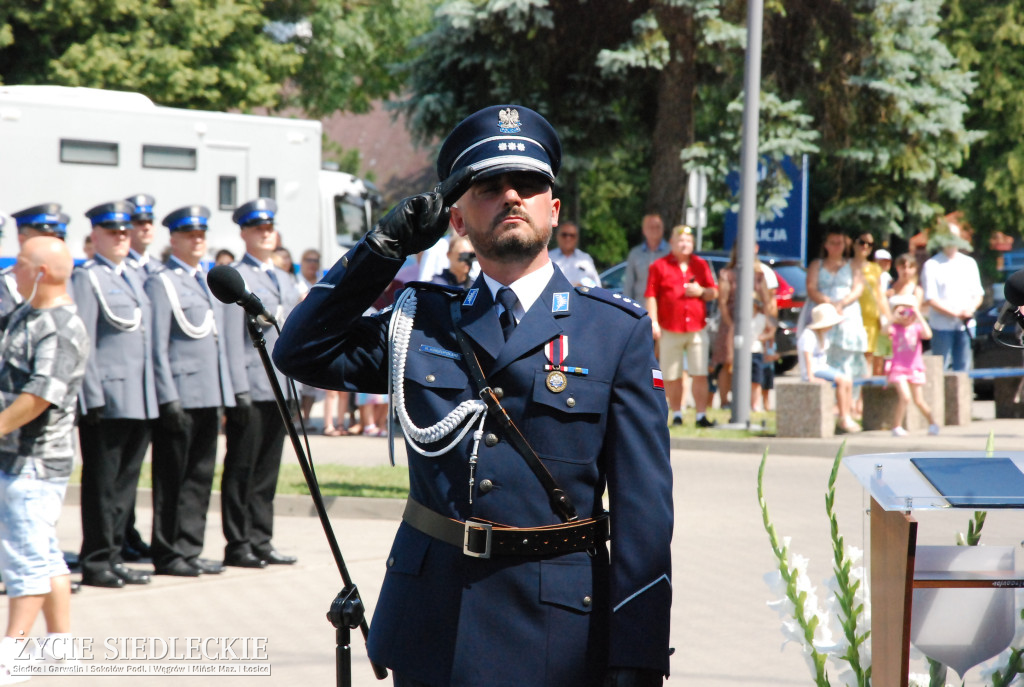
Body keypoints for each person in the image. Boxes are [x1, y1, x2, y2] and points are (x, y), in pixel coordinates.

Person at [273, 104, 673, 686]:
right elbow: (299, 350)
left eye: (530, 184)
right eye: (488, 187)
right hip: (434, 619)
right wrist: (383, 247)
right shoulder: (421, 319)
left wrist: (635, 656)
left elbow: (644, 512)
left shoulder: (614, 331)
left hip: (557, 630)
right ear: (456, 221)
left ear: (553, 208)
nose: (512, 196)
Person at [0, 237, 89, 679]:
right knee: (46, 556)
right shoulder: (26, 313)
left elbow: (38, 396)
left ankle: (11, 654)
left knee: (25, 563)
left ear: (42, 272)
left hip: (34, 462)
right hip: (16, 459)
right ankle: (60, 647)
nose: (11, 271)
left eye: (19, 265)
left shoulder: (61, 326)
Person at [144, 205, 240, 577]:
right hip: (181, 394)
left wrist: (225, 393)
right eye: (189, 235)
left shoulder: (207, 279)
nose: (197, 240)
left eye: (202, 235)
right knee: (172, 478)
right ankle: (168, 553)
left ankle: (190, 548)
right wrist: (168, 397)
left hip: (208, 394)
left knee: (200, 477)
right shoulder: (163, 281)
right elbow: (157, 345)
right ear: (174, 239)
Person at [72, 200, 158, 589]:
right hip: (107, 399)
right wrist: (90, 396)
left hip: (138, 396)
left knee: (125, 485)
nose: (122, 237)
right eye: (113, 232)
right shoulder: (87, 278)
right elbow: (83, 340)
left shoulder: (134, 276)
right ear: (96, 236)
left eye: (125, 231)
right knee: (103, 486)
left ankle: (115, 553)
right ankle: (96, 559)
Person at [220, 198, 301, 568]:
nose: (266, 233)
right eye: (258, 228)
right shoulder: (236, 277)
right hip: (251, 384)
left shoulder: (284, 277)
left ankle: (261, 538)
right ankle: (238, 543)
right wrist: (236, 389)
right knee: (242, 467)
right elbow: (231, 337)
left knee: (268, 468)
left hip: (279, 384)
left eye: (270, 227)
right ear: (243, 233)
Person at [646, 224, 719, 427]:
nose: (684, 244)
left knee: (700, 372)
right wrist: (654, 321)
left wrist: (701, 291)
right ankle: (677, 413)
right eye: (680, 241)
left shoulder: (700, 264)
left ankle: (700, 415)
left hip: (696, 327)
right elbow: (651, 295)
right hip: (670, 327)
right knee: (671, 374)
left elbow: (714, 292)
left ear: (693, 243)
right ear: (671, 243)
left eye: (688, 241)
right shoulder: (659, 266)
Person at [122, 193, 159, 563]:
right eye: (137, 222)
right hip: (130, 386)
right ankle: (120, 535)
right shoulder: (123, 270)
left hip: (153, 388)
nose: (144, 228)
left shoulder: (155, 269)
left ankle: (129, 534)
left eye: (149, 222)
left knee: (136, 470)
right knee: (121, 473)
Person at [712, 243, 775, 410]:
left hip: (753, 323)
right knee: (727, 362)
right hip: (730, 323)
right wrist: (730, 324)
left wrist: (767, 323)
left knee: (753, 362)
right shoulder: (727, 274)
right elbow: (723, 303)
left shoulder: (758, 275)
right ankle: (725, 401)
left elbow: (767, 302)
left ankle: (750, 403)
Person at [805, 229, 869, 384]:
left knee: (849, 356)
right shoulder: (817, 265)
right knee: (825, 353)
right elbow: (811, 288)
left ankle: (852, 399)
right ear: (826, 245)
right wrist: (829, 302)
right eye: (832, 243)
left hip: (848, 314)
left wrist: (841, 303)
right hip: (824, 313)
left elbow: (858, 288)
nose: (836, 247)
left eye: (839, 243)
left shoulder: (853, 265)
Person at [921, 225, 983, 372]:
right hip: (941, 327)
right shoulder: (931, 265)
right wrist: (956, 314)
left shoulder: (969, 263)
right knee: (940, 370)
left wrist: (970, 310)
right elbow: (931, 299)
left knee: (964, 370)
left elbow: (978, 294)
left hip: (965, 326)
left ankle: (963, 396)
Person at [797, 303, 858, 432]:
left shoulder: (821, 335)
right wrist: (810, 376)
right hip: (814, 370)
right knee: (841, 381)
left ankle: (847, 413)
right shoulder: (808, 335)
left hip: (822, 367)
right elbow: (807, 357)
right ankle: (843, 417)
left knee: (848, 380)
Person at [885, 294, 939, 437]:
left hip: (915, 367)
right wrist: (893, 316)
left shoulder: (916, 327)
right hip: (898, 367)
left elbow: (928, 334)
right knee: (905, 397)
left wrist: (918, 314)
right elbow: (884, 331)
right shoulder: (895, 328)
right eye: (902, 312)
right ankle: (896, 426)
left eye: (908, 312)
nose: (906, 316)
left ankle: (933, 423)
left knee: (919, 400)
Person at [2, 205, 70, 317]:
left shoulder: (70, 276)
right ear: (22, 239)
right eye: (45, 237)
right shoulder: (7, 282)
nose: (53, 243)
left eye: (58, 237)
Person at [853, 232, 883, 374]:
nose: (865, 246)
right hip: (852, 317)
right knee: (852, 356)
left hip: (871, 318)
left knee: (868, 357)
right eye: (862, 242)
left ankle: (862, 393)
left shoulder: (875, 268)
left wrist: (884, 317)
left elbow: (880, 295)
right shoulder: (847, 265)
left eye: (870, 244)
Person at [622, 213, 669, 303]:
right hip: (641, 308)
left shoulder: (671, 252)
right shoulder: (635, 253)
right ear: (644, 230)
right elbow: (629, 284)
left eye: (658, 227)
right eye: (651, 227)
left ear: (663, 229)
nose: (654, 230)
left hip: (665, 308)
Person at [549, 221, 601, 287]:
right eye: (564, 235)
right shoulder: (548, 257)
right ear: (557, 236)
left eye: (572, 235)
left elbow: (596, 285)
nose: (568, 238)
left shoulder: (585, 259)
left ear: (577, 238)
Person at [125, 193, 159, 276]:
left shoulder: (158, 265)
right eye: (140, 223)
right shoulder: (121, 265)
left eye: (150, 222)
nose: (147, 228)